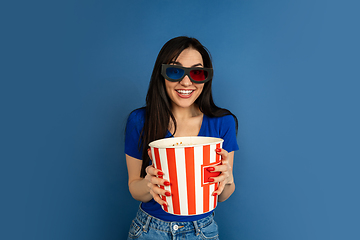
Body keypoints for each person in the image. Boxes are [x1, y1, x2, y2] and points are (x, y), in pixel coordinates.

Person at [125, 36, 239, 239]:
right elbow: (135, 188)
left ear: (206, 77)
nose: (186, 82)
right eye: (175, 71)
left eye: (196, 72)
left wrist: (228, 179)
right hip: (149, 230)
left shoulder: (223, 123)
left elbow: (222, 196)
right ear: (162, 74)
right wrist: (149, 184)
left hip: (201, 231)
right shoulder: (139, 121)